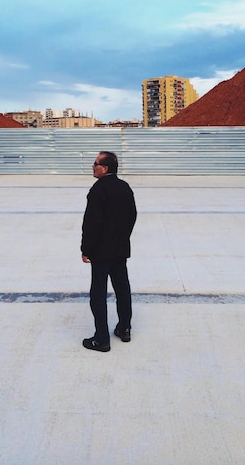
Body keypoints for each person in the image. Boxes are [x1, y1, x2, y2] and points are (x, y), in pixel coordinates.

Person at [81, 151, 137, 352]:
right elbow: (132, 216)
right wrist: (122, 239)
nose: (92, 166)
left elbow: (91, 224)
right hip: (120, 249)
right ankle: (124, 328)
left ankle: (102, 338)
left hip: (101, 252)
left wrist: (86, 249)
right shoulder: (124, 187)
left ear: (104, 168)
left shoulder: (98, 190)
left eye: (95, 163)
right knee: (122, 289)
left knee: (98, 293)